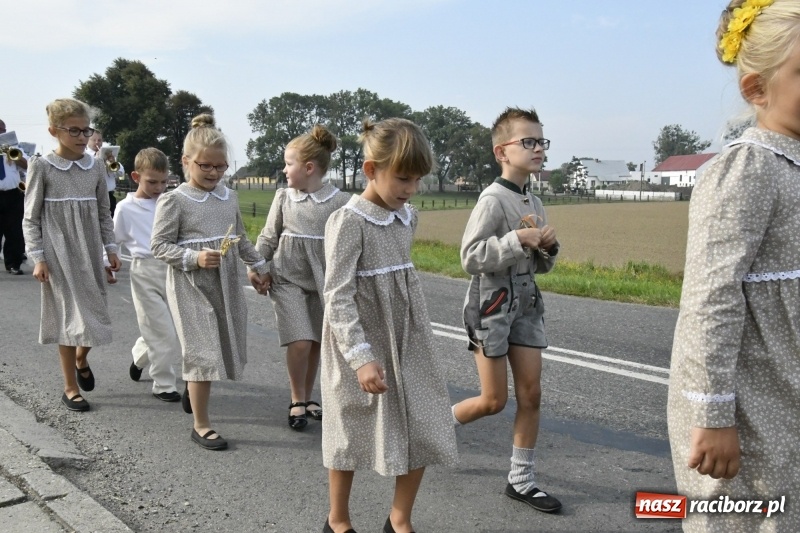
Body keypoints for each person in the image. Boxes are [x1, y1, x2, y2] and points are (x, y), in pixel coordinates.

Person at [668, 1, 800, 531]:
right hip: (746, 408)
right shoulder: (749, 168)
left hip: (788, 390)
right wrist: (712, 415)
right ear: (756, 89)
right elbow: (710, 296)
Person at [321, 118, 458, 533]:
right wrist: (360, 357)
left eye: (417, 179)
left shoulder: (407, 217)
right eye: (402, 178)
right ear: (371, 170)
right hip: (360, 342)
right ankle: (338, 520)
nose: (411, 189)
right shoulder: (349, 221)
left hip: (408, 338)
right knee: (349, 427)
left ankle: (399, 519)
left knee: (423, 421)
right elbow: (337, 295)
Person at [450, 107, 561, 514]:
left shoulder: (534, 200)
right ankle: (434, 428)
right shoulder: (492, 199)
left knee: (531, 395)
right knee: (493, 400)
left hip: (526, 305)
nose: (538, 149)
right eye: (528, 142)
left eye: (541, 141)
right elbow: (470, 257)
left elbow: (540, 265)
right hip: (492, 305)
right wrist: (518, 239)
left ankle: (521, 480)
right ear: (502, 152)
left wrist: (547, 248)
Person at [151, 114, 269, 450]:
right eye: (205, 166)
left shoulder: (228, 197)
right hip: (191, 287)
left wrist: (259, 265)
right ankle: (201, 425)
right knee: (202, 353)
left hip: (225, 283)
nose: (214, 173)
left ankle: (193, 388)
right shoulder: (174, 200)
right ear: (186, 161)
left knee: (216, 349)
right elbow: (159, 246)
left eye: (220, 166)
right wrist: (194, 258)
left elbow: (239, 238)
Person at [22, 98, 121, 412]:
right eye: (73, 130)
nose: (81, 137)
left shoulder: (95, 166)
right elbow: (30, 217)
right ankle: (70, 388)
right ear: (54, 130)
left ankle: (81, 358)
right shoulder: (42, 166)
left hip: (89, 252)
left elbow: (104, 213)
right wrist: (38, 257)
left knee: (94, 317)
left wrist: (111, 248)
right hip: (58, 255)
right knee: (68, 319)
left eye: (85, 130)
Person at [256, 125, 349, 431]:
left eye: (288, 164)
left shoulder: (340, 202)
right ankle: (297, 399)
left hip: (324, 283)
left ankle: (308, 398)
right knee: (300, 341)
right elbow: (268, 237)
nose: (284, 170)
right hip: (287, 279)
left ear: (309, 168)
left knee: (315, 343)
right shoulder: (284, 197)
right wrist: (257, 266)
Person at [113, 147, 181, 402]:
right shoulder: (125, 208)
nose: (159, 187)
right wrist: (109, 262)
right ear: (136, 176)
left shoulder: (170, 202)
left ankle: (139, 357)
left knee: (167, 329)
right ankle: (164, 384)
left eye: (164, 182)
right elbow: (113, 240)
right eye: (152, 182)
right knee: (163, 333)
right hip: (144, 271)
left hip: (173, 269)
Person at [0, 119, 28, 275]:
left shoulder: (14, 147)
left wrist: (15, 156)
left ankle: (13, 263)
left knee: (15, 230)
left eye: (3, 130)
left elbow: (27, 166)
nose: (1, 133)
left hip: (13, 194)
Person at [87, 129, 124, 216]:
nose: (97, 142)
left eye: (99, 140)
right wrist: (97, 160)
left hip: (109, 196)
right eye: (94, 140)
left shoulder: (108, 154)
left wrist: (112, 162)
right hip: (93, 197)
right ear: (88, 141)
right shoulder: (85, 156)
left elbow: (121, 173)